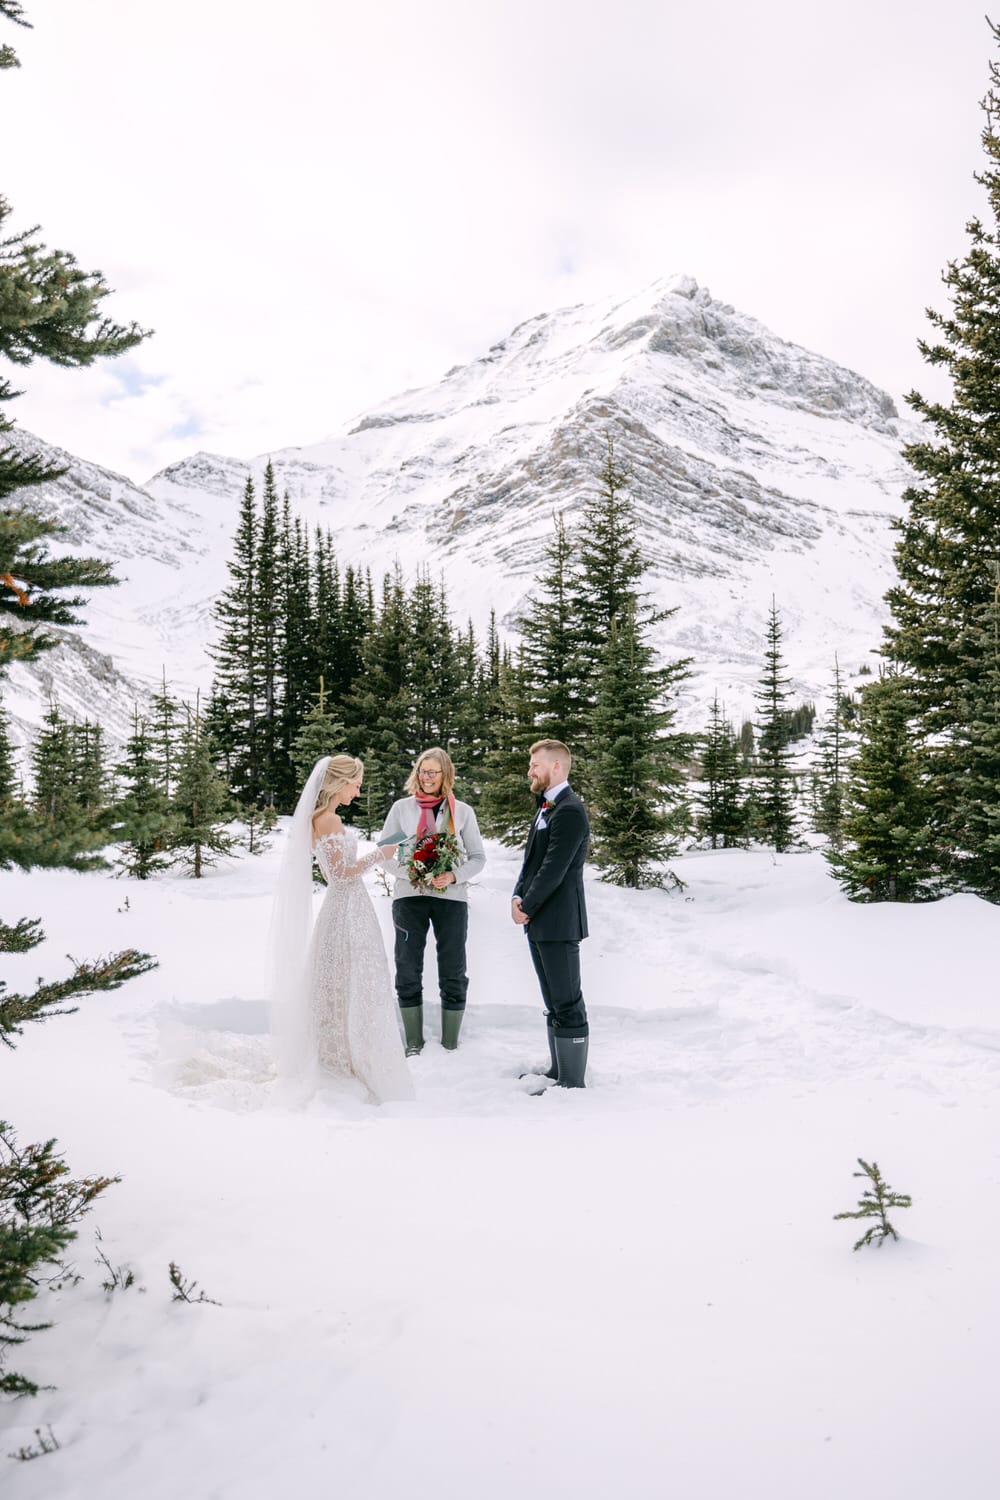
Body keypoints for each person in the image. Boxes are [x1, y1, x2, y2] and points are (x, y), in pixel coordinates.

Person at [269, 754, 414, 1103]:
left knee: (340, 981)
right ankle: (345, 1055)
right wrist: (382, 853)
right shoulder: (329, 820)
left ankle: (344, 1048)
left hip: (346, 909)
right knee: (348, 980)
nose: (359, 790)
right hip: (345, 909)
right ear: (339, 783)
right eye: (356, 783)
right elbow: (340, 876)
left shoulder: (320, 819)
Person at [379, 747, 486, 1054]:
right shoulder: (402, 808)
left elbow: (478, 857)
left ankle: (450, 1041)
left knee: (453, 967)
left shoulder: (462, 811)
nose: (426, 778)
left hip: (451, 899)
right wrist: (411, 871)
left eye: (432, 772)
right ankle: (414, 1041)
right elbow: (385, 853)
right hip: (410, 896)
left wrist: (453, 876)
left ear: (445, 775)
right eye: (422, 771)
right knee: (407, 965)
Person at [512, 739, 590, 1089]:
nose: (530, 771)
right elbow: (532, 864)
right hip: (539, 920)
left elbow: (554, 870)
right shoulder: (546, 807)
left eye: (535, 765)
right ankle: (560, 1071)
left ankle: (573, 1081)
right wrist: (517, 895)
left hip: (559, 920)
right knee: (552, 998)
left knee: (567, 998)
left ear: (556, 767)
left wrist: (526, 907)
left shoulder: (570, 810)